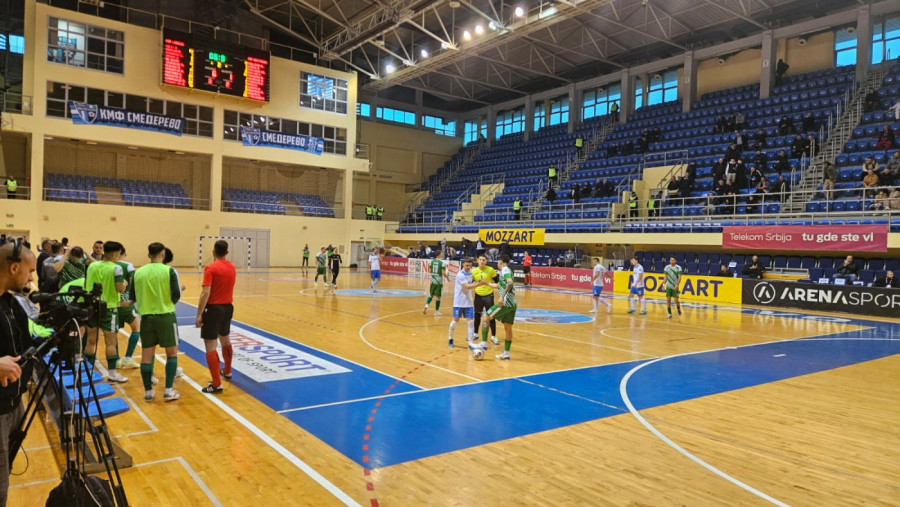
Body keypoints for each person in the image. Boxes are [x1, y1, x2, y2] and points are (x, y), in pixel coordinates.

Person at [0, 239, 38, 504]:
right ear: (14, 268)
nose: (31, 278)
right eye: (30, 271)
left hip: (14, 403)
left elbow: (28, 343)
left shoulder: (11, 303)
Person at [130, 242, 182, 402]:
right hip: (166, 316)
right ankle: (168, 391)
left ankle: (148, 391)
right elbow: (176, 294)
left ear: (148, 255)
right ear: (163, 254)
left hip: (146, 318)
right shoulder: (169, 270)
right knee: (172, 354)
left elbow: (132, 296)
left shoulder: (138, 272)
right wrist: (166, 302)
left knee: (146, 355)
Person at [84, 241, 129, 383]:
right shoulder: (116, 268)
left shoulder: (92, 265)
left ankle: (87, 372)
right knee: (111, 342)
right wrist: (124, 284)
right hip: (109, 309)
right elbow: (120, 289)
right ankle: (112, 373)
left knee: (91, 340)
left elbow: (86, 284)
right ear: (116, 253)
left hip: (92, 306)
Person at [195, 240, 237, 394]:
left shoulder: (210, 268)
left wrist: (199, 314)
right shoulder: (232, 267)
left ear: (213, 251)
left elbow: (205, 292)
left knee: (210, 345)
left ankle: (217, 384)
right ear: (227, 252)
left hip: (213, 309)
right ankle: (227, 370)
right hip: (228, 307)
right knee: (225, 339)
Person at [480, 254, 517, 360]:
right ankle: (506, 353)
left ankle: (483, 344)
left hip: (505, 303)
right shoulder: (507, 271)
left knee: (485, 317)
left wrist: (502, 297)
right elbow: (499, 285)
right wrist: (487, 283)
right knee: (508, 327)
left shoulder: (505, 270)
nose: (497, 264)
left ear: (500, 261)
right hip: (512, 304)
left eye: (497, 262)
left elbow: (510, 283)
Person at [116, 248, 143, 370]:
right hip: (125, 302)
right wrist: (133, 300)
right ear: (124, 254)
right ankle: (128, 357)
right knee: (136, 328)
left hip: (111, 303)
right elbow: (134, 284)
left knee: (113, 332)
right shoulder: (128, 266)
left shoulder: (106, 265)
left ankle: (116, 359)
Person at [448, 257, 482, 348]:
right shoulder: (460, 275)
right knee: (455, 320)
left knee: (470, 322)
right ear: (463, 264)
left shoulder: (471, 273)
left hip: (468, 302)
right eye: (466, 265)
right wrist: (479, 284)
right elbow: (467, 286)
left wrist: (479, 281)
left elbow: (474, 281)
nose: (468, 267)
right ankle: (450, 338)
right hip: (459, 302)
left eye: (470, 266)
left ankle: (471, 343)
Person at [471, 255, 499, 346]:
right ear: (477, 261)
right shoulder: (474, 271)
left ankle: (493, 336)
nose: (482, 261)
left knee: (491, 315)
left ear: (486, 261)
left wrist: (488, 284)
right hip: (478, 295)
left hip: (488, 295)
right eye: (480, 259)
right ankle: (475, 334)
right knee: (477, 314)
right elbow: (470, 282)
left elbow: (497, 282)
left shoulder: (490, 270)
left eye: (483, 260)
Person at [424, 249, 450, 316]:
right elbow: (443, 273)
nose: (442, 254)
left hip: (433, 281)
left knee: (431, 295)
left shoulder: (432, 261)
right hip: (439, 282)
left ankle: (426, 305)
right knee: (438, 297)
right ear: (439, 254)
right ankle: (436, 312)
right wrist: (447, 277)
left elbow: (430, 271)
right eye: (441, 253)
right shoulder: (442, 263)